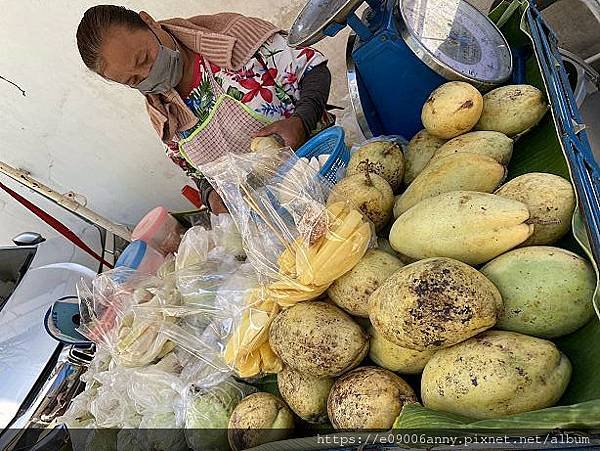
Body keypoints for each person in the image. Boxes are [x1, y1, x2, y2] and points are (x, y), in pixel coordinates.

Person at [76, 5, 333, 213]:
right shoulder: (163, 115)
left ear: (149, 21)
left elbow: (312, 67)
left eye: (144, 59)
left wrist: (301, 119)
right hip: (278, 214)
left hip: (329, 168)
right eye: (134, 81)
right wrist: (210, 195)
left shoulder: (231, 38)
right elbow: (193, 170)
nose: (148, 76)